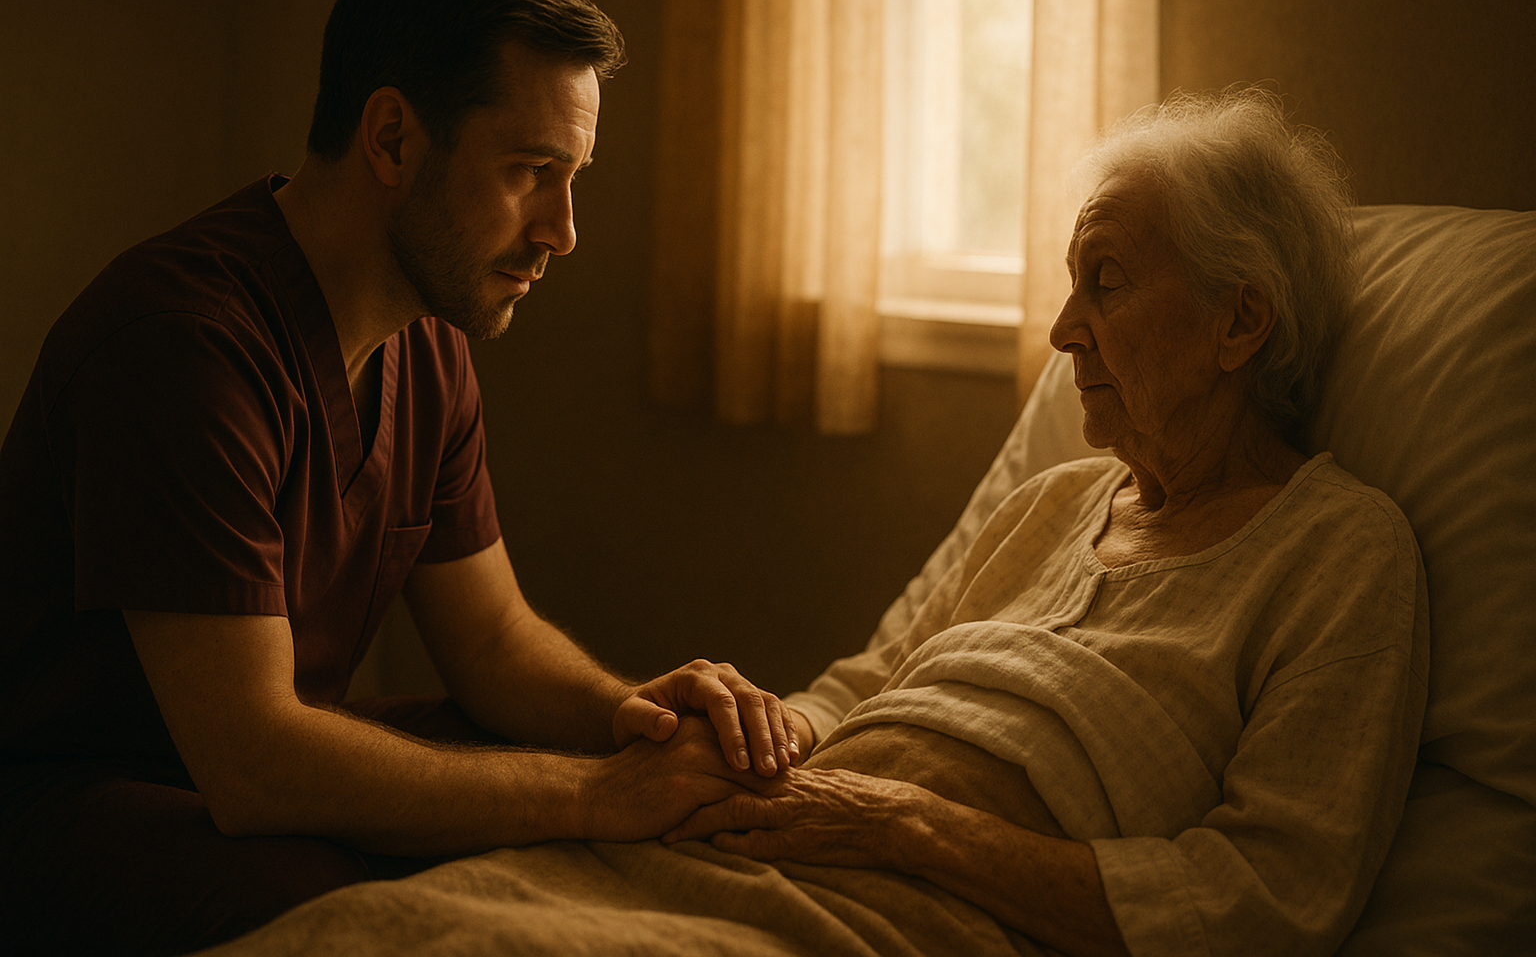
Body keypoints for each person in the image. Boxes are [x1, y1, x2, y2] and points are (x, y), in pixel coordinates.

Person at [194, 88, 1428, 957]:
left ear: (1240, 324)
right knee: (392, 925)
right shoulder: (1057, 502)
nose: (1062, 332)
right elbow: (868, 681)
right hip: (747, 841)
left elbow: (1263, 901)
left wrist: (905, 823)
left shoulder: (1339, 553)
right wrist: (734, 733)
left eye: (1104, 282)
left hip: (897, 915)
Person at [0, 0, 794, 955]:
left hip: (239, 775)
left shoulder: (429, 342)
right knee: (369, 912)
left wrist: (634, 719)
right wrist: (597, 794)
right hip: (71, 803)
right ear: (391, 139)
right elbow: (252, 761)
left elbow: (494, 643)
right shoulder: (181, 342)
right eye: (532, 172)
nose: (564, 230)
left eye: (574, 178)